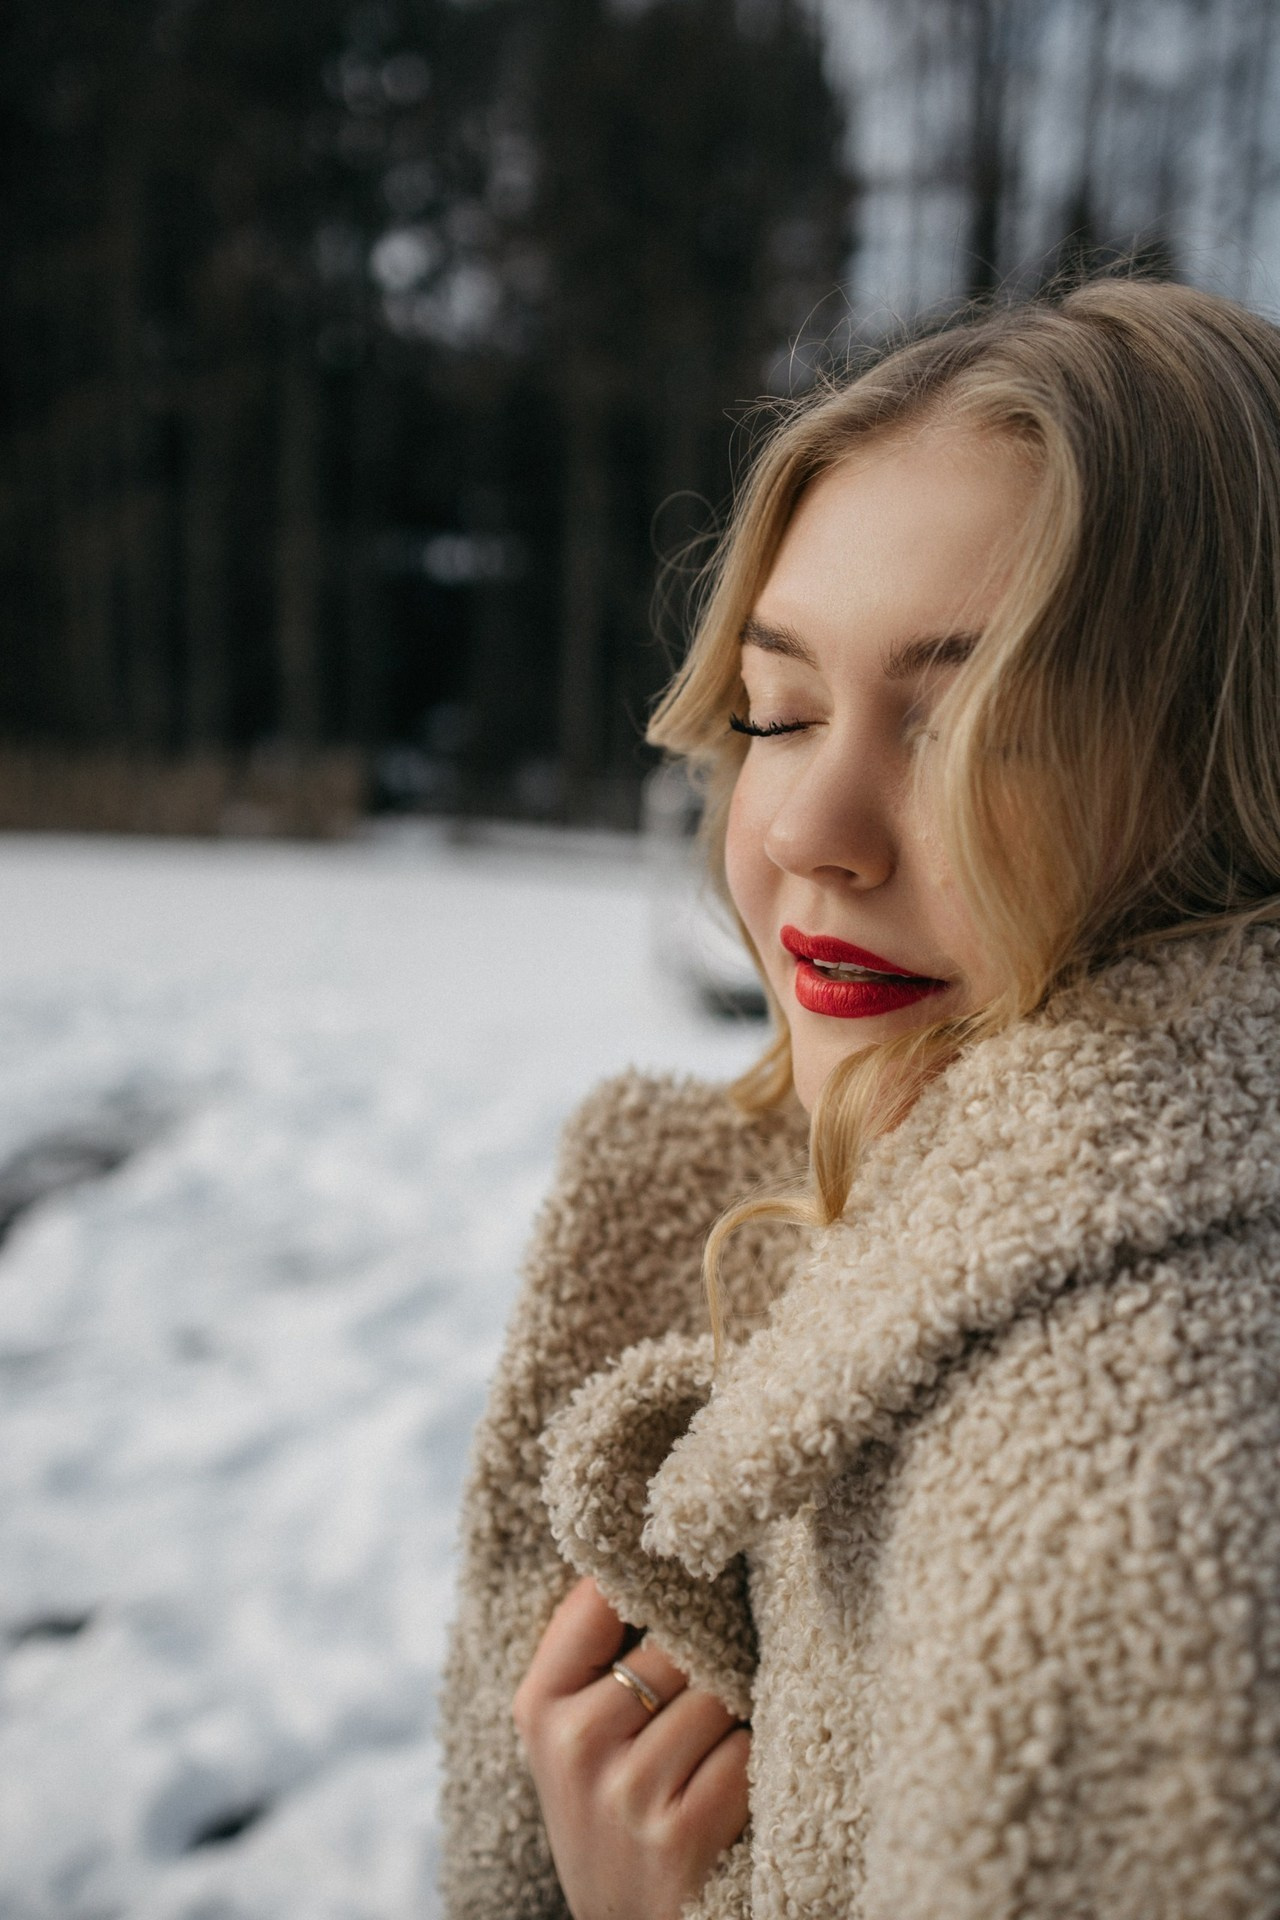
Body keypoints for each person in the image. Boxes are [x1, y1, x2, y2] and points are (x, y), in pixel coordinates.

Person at [438, 276, 1280, 1920]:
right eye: (781, 709)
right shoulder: (829, 1195)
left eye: (980, 724)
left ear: (1236, 765)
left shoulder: (1132, 1497)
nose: (813, 825)